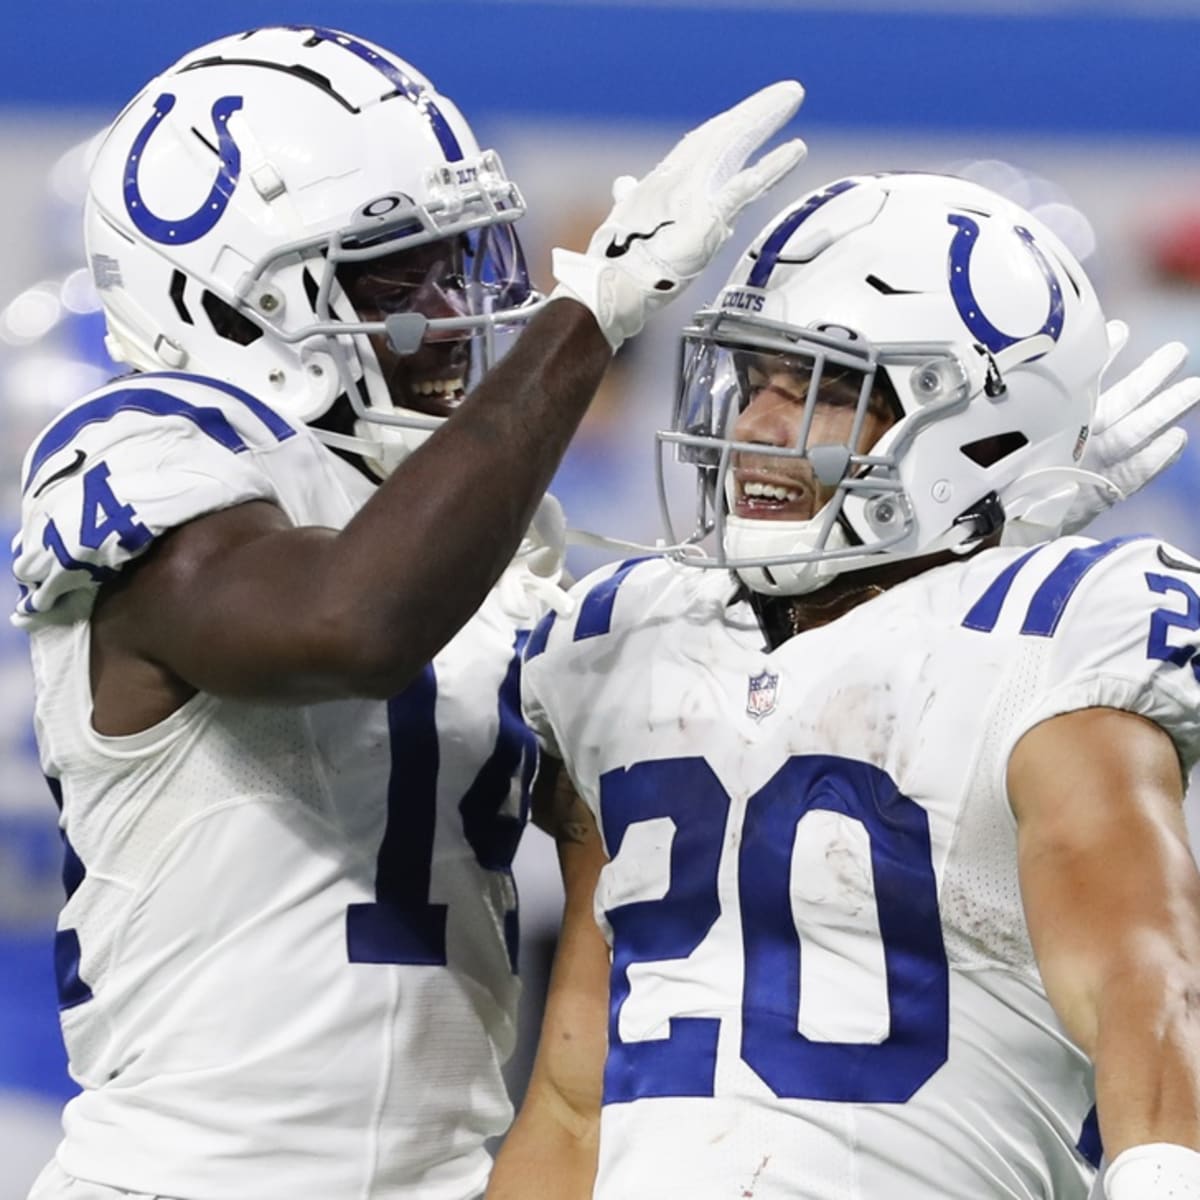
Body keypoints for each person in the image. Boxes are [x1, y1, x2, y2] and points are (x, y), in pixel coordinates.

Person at [10, 24, 809, 1200]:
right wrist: (585, 319)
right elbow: (350, 626)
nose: (446, 308)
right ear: (233, 303)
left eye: (454, 262)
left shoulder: (466, 530)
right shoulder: (141, 449)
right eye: (392, 276)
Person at [490, 171, 1200, 1200]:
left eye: (827, 386)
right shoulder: (627, 633)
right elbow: (573, 1095)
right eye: (757, 377)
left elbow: (1144, 980)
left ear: (980, 432)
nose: (763, 426)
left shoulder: (1049, 630)